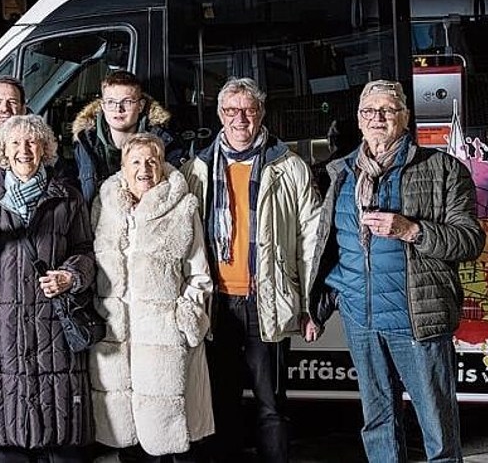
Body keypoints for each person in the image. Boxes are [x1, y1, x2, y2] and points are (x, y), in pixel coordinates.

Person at [312, 80, 485, 463]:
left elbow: (470, 241)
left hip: (417, 319)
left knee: (436, 425)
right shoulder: (340, 174)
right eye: (369, 112)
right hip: (361, 319)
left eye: (388, 110)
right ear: (359, 121)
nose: (378, 118)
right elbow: (333, 246)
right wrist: (319, 308)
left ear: (405, 117)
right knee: (377, 420)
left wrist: (412, 230)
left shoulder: (442, 170)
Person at [181, 77, 323, 463]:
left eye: (248, 109)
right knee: (220, 402)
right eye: (231, 110)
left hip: (267, 301)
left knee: (270, 404)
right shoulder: (197, 168)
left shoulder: (288, 165)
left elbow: (312, 236)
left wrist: (309, 303)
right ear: (219, 115)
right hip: (217, 304)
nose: (239, 118)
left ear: (260, 113)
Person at [0, 114, 96, 463]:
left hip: (53, 334)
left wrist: (70, 277)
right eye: (15, 142)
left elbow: (86, 253)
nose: (24, 150)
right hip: (0, 339)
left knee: (62, 441)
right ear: (2, 150)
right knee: (9, 442)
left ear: (45, 149)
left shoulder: (68, 198)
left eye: (32, 142)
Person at [89, 134, 213, 463]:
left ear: (161, 165)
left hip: (165, 342)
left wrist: (184, 320)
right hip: (117, 341)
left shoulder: (182, 208)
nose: (144, 169)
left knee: (173, 434)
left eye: (151, 161)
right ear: (122, 168)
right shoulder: (105, 207)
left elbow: (199, 275)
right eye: (136, 162)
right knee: (129, 441)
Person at [73, 70, 186, 204]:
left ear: (140, 105)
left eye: (127, 102)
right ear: (102, 106)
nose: (118, 109)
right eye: (110, 102)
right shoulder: (86, 144)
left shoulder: (163, 143)